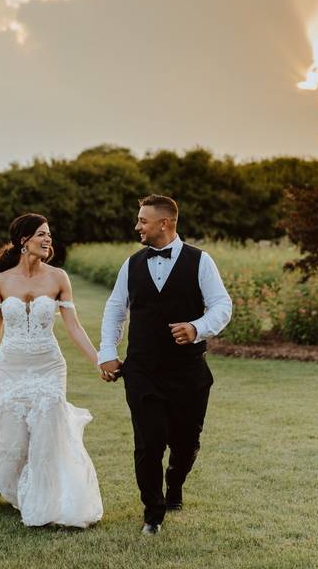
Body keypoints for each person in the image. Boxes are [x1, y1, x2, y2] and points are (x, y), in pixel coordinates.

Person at [0, 213, 104, 528]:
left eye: (49, 234)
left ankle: (47, 501)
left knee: (48, 431)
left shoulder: (59, 277)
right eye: (41, 234)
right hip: (12, 366)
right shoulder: (1, 282)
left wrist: (98, 360)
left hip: (49, 365)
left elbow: (73, 327)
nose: (48, 240)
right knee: (16, 437)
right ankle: (18, 490)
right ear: (23, 240)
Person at [97, 194, 232, 535]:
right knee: (149, 441)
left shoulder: (200, 261)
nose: (137, 226)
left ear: (165, 223)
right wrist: (107, 351)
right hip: (142, 368)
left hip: (188, 370)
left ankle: (175, 483)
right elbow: (115, 309)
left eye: (142, 220)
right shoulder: (131, 264)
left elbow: (222, 305)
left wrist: (197, 328)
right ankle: (152, 513)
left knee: (186, 442)